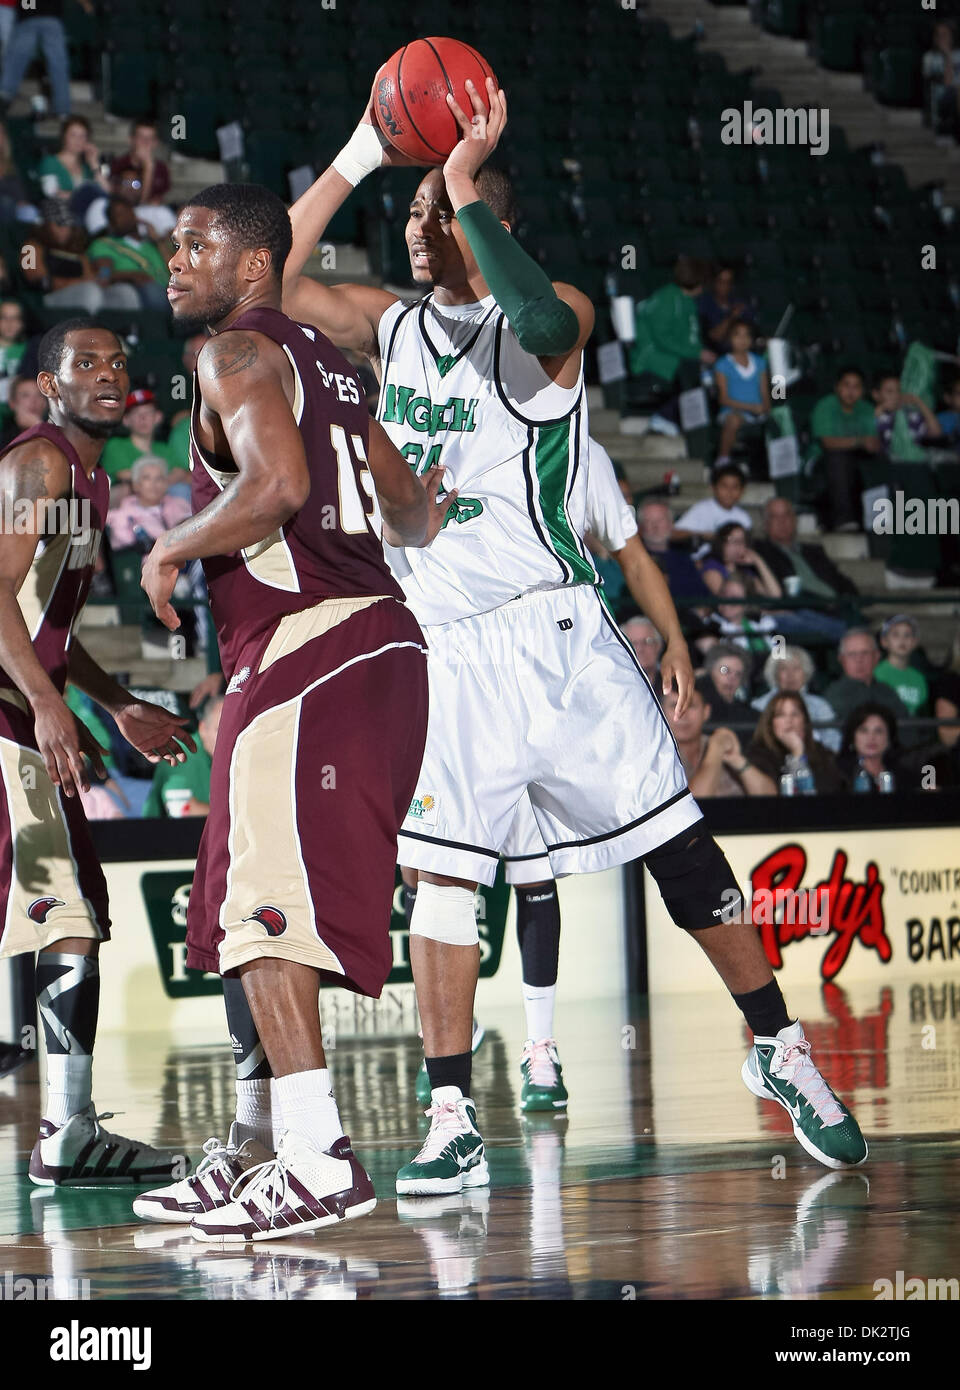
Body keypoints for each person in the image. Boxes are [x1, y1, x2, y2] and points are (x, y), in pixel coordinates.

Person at [283, 74, 866, 1189]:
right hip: (444, 646)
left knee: (683, 855)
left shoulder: (553, 315)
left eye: (433, 217)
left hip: (557, 636)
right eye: (408, 217)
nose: (412, 230)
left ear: (483, 222)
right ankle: (450, 1113)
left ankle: (780, 1046)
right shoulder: (391, 326)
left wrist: (460, 188)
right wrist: (367, 148)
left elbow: (548, 320)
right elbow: (279, 277)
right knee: (446, 886)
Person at [135, 182, 443, 1241]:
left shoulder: (233, 352)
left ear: (256, 266)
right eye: (171, 245)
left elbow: (274, 484)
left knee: (268, 907)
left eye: (195, 244)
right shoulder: (339, 368)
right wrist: (429, 503)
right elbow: (409, 508)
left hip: (316, 646)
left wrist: (170, 545)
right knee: (236, 905)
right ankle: (258, 1144)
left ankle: (318, 1158)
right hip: (374, 642)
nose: (172, 260)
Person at [0, 317, 195, 1185]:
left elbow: (47, 625)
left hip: (27, 713)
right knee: (64, 915)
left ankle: (67, 1128)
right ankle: (65, 1132)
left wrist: (113, 703)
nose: (110, 373)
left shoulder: (92, 482)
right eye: (87, 363)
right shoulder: (36, 464)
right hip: (8, 719)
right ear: (49, 386)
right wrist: (46, 703)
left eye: (119, 361)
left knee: (74, 918)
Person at [628, 253, 715, 433]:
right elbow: (662, 338)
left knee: (711, 374)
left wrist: (701, 352)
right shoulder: (666, 298)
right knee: (690, 372)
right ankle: (663, 417)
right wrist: (697, 354)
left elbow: (691, 337)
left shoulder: (689, 301)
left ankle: (699, 426)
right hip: (651, 356)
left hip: (675, 355)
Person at [751, 496, 856, 644]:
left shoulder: (814, 551)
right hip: (801, 611)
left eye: (787, 515)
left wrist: (846, 598)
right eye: (775, 517)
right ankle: (851, 635)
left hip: (834, 609)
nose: (782, 521)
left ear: (795, 520)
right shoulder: (761, 552)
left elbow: (842, 582)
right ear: (766, 524)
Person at [22, 201, 140, 313]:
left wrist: (102, 278)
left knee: (125, 293)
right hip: (48, 299)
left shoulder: (77, 250)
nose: (64, 230)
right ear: (46, 225)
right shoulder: (30, 246)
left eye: (68, 225)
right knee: (90, 292)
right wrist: (77, 283)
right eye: (59, 225)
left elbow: (90, 277)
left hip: (84, 293)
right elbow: (38, 280)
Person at [663, 685, 776, 797]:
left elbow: (770, 799)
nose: (683, 714)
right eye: (674, 706)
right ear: (662, 712)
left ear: (706, 712)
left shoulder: (720, 743)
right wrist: (716, 750)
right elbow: (694, 804)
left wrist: (737, 760)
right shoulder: (659, 754)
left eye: (691, 706)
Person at [809, 365, 880, 532]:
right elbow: (828, 443)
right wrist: (860, 441)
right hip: (823, 460)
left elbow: (874, 442)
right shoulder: (825, 406)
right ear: (837, 387)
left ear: (863, 391)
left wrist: (872, 445)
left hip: (857, 458)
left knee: (880, 462)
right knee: (838, 459)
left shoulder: (867, 409)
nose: (851, 391)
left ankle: (879, 521)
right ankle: (844, 520)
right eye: (846, 385)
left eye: (856, 387)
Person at [0, 0, 91, 120]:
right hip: (40, 15)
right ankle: (62, 109)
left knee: (20, 59)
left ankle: (6, 95)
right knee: (55, 63)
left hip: (38, 16)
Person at [746, 693, 844, 794]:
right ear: (770, 723)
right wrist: (797, 755)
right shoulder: (757, 754)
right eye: (781, 715)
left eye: (795, 714)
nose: (789, 720)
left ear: (804, 721)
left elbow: (830, 790)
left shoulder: (821, 752)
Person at [143, 694, 222, 818]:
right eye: (220, 730)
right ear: (203, 729)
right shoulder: (182, 754)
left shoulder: (242, 755)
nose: (228, 738)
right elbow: (181, 810)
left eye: (235, 730)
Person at [751, 646, 842, 752]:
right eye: (784, 669)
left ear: (805, 673)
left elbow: (833, 741)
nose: (790, 675)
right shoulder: (758, 705)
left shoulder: (820, 705)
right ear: (775, 674)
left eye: (796, 668)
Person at [88, 197, 171, 311]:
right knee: (153, 291)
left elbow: (174, 269)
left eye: (128, 212)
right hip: (139, 291)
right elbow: (104, 275)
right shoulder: (104, 244)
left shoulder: (152, 245)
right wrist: (132, 275)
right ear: (111, 224)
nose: (126, 217)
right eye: (119, 215)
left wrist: (158, 241)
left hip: (168, 290)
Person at [101, 387, 184, 494]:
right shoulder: (116, 445)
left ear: (158, 417)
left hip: (165, 503)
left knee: (181, 489)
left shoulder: (165, 449)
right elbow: (123, 474)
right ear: (126, 420)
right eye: (136, 413)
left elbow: (182, 473)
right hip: (127, 505)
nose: (142, 418)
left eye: (148, 412)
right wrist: (163, 480)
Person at [823, 629, 910, 727]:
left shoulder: (888, 693)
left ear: (876, 657)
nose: (859, 660)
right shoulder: (833, 696)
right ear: (841, 660)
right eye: (852, 654)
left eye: (865, 653)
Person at [105, 454, 192, 550]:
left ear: (166, 484)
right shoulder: (123, 516)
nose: (153, 484)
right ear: (136, 485)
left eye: (159, 478)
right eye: (146, 478)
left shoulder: (180, 505)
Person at [713, 319, 769, 465]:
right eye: (737, 335)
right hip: (732, 412)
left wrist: (767, 409)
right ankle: (723, 460)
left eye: (747, 335)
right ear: (729, 338)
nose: (742, 340)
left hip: (758, 413)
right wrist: (751, 407)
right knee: (733, 420)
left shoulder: (760, 362)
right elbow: (723, 399)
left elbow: (765, 390)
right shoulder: (722, 364)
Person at [109, 117, 175, 240]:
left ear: (156, 143)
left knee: (164, 215)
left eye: (150, 139)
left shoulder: (161, 168)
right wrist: (148, 168)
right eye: (141, 137)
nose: (145, 142)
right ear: (131, 140)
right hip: (125, 214)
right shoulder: (119, 164)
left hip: (151, 213)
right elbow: (139, 201)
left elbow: (157, 201)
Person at [638, 499, 711, 603]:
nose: (655, 526)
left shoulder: (684, 559)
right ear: (640, 526)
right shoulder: (635, 558)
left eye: (660, 520)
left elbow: (703, 597)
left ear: (671, 524)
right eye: (649, 521)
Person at [699, 520, 781, 598]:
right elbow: (727, 607)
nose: (738, 546)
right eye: (733, 541)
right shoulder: (712, 569)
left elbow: (775, 595)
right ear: (721, 543)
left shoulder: (745, 571)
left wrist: (758, 561)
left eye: (742, 541)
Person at [673, 462, 752, 542]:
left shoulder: (743, 517)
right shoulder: (702, 509)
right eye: (724, 486)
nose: (729, 492)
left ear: (742, 491)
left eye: (735, 487)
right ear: (713, 488)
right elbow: (674, 533)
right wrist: (701, 535)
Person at [36, 115, 108, 203]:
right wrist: (86, 197)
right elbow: (51, 193)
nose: (78, 140)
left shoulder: (87, 166)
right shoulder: (50, 162)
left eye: (83, 136)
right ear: (64, 137)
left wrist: (94, 163)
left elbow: (106, 191)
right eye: (73, 135)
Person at [836, 703, 903, 792]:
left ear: (889, 737)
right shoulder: (838, 776)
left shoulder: (903, 775)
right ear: (852, 737)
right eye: (864, 731)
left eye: (878, 731)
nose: (871, 737)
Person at [873, 371, 941, 454]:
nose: (896, 395)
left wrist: (919, 402)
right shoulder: (874, 415)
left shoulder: (911, 415)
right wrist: (882, 408)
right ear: (876, 395)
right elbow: (867, 431)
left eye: (899, 390)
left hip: (913, 462)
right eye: (890, 391)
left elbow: (936, 433)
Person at [874, 614, 929, 717]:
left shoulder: (919, 678)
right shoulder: (876, 674)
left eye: (907, 635)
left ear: (914, 642)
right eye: (895, 635)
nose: (902, 640)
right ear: (884, 641)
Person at [695, 643, 756, 731]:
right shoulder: (697, 712)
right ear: (709, 672)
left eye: (738, 674)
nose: (732, 678)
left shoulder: (750, 717)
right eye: (725, 670)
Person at [698, 263, 753, 355]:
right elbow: (714, 336)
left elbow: (751, 333)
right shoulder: (705, 304)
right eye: (721, 281)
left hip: (741, 355)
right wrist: (732, 316)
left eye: (728, 282)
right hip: (714, 356)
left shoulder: (739, 302)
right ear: (714, 282)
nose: (725, 286)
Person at [0, 373, 47, 449]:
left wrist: (38, 426)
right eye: (25, 395)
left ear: (45, 403)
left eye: (39, 395)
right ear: (12, 403)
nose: (33, 401)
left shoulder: (58, 431)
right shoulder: (3, 437)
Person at [621, 614, 663, 690]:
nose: (640, 649)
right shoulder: (614, 684)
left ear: (658, 646)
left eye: (647, 641)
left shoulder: (675, 683)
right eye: (632, 643)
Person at [0, 299, 26, 402]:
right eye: (4, 318)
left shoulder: (30, 350)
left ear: (22, 323)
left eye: (15, 318)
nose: (9, 323)